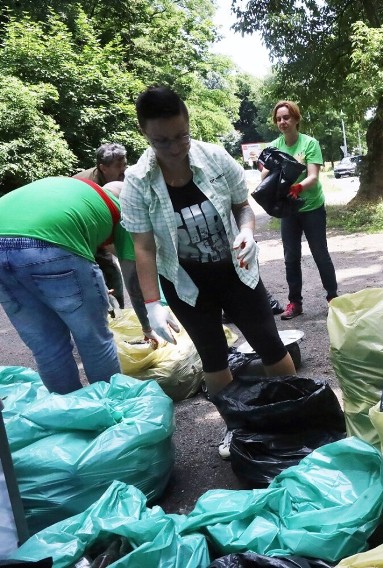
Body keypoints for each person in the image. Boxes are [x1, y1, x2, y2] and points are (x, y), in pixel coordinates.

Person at [120, 86, 296, 418]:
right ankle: (236, 426)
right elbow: (142, 247)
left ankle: (294, 412)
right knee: (213, 358)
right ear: (144, 132)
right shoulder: (138, 181)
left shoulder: (214, 157)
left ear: (188, 123)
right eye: (161, 141)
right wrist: (152, 304)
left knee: (270, 345)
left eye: (180, 136)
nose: (173, 148)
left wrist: (246, 230)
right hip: (185, 282)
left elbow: (242, 207)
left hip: (235, 271)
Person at [0, 177, 148, 394]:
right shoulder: (121, 210)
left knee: (47, 348)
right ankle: (110, 408)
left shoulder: (75, 189)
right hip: (49, 244)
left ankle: (72, 416)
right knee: (94, 340)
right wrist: (147, 324)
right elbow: (132, 278)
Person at [263, 100, 338, 320]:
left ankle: (333, 297)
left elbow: (313, 177)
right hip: (289, 210)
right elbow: (264, 176)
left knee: (320, 253)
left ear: (296, 119)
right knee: (291, 257)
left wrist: (297, 186)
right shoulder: (274, 146)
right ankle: (295, 303)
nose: (282, 122)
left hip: (311, 206)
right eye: (278, 119)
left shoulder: (309, 144)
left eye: (286, 117)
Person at [73, 142, 129, 307]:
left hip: (96, 224)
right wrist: (130, 257)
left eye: (125, 164)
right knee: (100, 266)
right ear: (103, 168)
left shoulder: (124, 176)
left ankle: (120, 312)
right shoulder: (86, 185)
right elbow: (105, 239)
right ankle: (104, 312)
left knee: (111, 267)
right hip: (76, 229)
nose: (124, 169)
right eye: (119, 166)